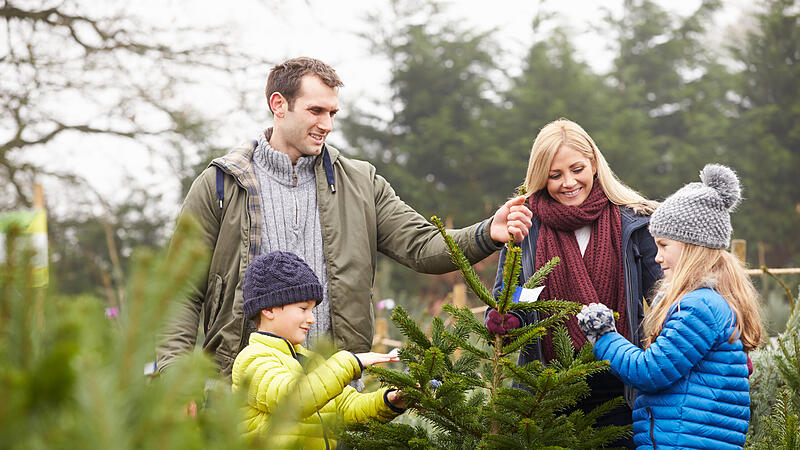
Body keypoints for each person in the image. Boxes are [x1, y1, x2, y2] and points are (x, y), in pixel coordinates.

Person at [157, 57, 533, 377]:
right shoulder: (220, 184)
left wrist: (488, 232)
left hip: (335, 392)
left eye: (333, 113)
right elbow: (179, 291)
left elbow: (422, 246)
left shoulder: (361, 183)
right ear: (278, 104)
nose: (327, 125)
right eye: (316, 111)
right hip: (241, 396)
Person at [486, 118, 662, 448]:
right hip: (547, 397)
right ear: (541, 176)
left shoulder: (634, 222)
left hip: (622, 395)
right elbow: (512, 296)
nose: (568, 182)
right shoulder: (526, 226)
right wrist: (506, 318)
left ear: (594, 164)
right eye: (555, 175)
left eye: (577, 169)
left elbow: (670, 296)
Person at [578, 164, 763, 449]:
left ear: (691, 245)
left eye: (664, 245)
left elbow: (649, 371)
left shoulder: (698, 307)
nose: (657, 257)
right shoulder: (712, 301)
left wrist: (604, 336)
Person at [232, 251, 405, 448]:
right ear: (268, 309)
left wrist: (390, 400)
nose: (312, 319)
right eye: (303, 309)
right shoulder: (252, 360)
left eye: (312, 310)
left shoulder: (310, 360)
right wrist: (350, 361)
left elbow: (347, 407)